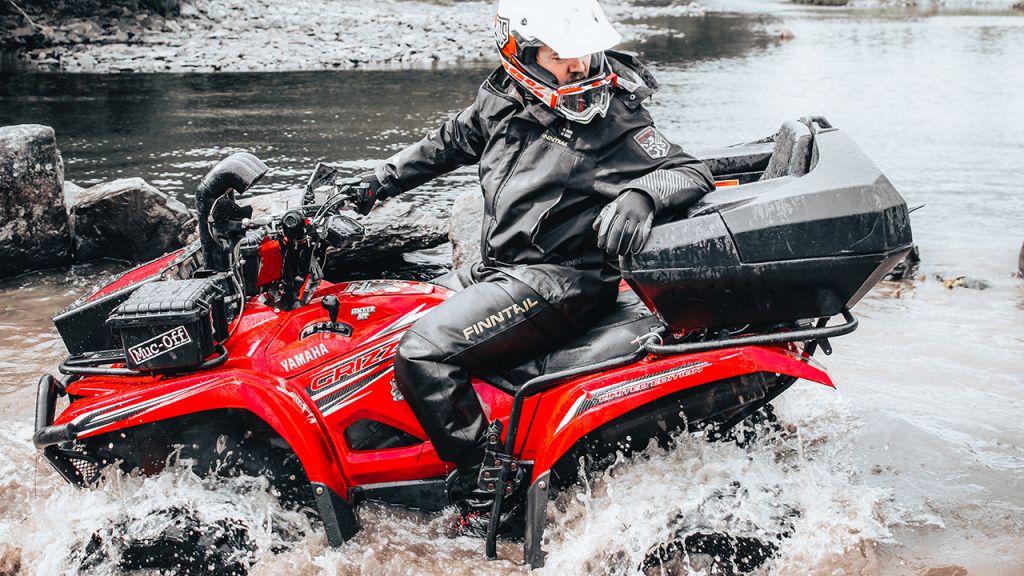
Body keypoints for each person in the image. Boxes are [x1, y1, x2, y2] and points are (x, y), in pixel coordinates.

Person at [353, 0, 715, 535]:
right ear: (520, 52)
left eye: (585, 52)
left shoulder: (611, 112)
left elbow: (688, 169)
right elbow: (451, 141)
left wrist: (643, 193)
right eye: (563, 54)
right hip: (504, 268)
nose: (582, 65)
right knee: (385, 313)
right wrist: (375, 183)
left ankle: (489, 483)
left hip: (562, 281)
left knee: (422, 352)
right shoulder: (504, 95)